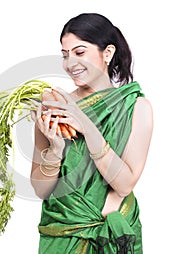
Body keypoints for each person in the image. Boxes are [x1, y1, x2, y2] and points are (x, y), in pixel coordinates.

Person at [30, 13, 153, 254]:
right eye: (65, 55)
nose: (70, 64)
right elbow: (40, 190)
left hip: (113, 234)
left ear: (107, 53)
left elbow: (124, 184)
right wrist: (55, 150)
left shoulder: (136, 107)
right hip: (60, 234)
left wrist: (86, 126)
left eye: (79, 52)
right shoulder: (56, 107)